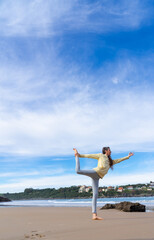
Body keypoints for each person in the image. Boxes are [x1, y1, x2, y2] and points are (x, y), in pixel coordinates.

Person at [73, 147, 134, 220]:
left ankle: (94, 215)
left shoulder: (110, 161)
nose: (110, 151)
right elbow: (89, 156)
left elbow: (118, 160)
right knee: (78, 171)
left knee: (95, 195)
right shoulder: (100, 155)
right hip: (95, 172)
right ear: (106, 151)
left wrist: (128, 157)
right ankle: (76, 156)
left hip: (97, 177)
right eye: (109, 150)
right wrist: (79, 155)